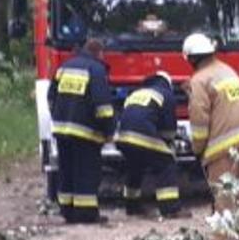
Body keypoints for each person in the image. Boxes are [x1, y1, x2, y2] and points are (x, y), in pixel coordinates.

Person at [182, 33, 239, 212]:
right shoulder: (226, 70)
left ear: (191, 58)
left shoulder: (199, 80)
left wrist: (197, 148)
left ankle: (223, 239)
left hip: (224, 143)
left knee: (222, 192)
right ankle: (236, 234)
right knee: (235, 189)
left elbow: (200, 121)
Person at [48, 39, 116, 223]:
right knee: (86, 172)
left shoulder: (64, 67)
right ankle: (86, 214)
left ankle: (67, 210)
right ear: (99, 53)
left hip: (62, 130)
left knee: (66, 171)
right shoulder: (96, 70)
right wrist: (109, 130)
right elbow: (103, 106)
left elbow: (51, 97)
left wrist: (59, 118)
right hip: (86, 133)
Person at [115, 71, 182, 218]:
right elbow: (169, 129)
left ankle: (132, 207)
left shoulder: (136, 93)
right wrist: (169, 142)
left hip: (123, 137)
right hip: (143, 135)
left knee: (135, 166)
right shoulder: (165, 94)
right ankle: (170, 209)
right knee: (166, 162)